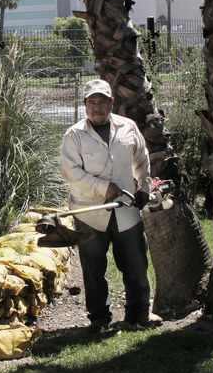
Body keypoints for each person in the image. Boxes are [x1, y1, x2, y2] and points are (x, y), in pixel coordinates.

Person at [60, 78, 161, 332]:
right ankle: (99, 318)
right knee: (94, 268)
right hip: (90, 214)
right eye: (92, 102)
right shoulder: (74, 135)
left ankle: (139, 313)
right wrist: (102, 188)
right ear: (84, 105)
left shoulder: (127, 127)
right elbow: (72, 173)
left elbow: (142, 159)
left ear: (112, 103)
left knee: (136, 263)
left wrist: (144, 187)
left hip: (126, 209)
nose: (97, 107)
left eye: (103, 102)